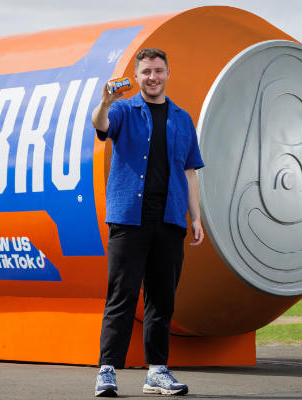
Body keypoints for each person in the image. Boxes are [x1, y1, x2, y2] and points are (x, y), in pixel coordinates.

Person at [91, 48, 204, 397]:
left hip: (169, 219)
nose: (152, 77)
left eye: (158, 70)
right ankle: (107, 371)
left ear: (168, 73)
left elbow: (190, 171)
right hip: (129, 218)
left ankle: (157, 372)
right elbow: (100, 125)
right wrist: (106, 102)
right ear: (137, 76)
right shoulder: (123, 110)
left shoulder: (183, 119)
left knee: (162, 300)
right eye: (146, 72)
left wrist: (196, 217)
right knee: (121, 296)